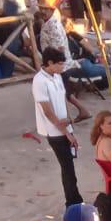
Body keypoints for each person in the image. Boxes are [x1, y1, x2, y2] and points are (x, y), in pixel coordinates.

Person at [32, 47, 82, 209]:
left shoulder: (57, 77)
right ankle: (72, 201)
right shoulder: (39, 81)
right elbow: (47, 111)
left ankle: (74, 199)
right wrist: (66, 133)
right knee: (67, 168)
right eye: (59, 64)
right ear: (50, 63)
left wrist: (70, 123)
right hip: (53, 131)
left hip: (64, 126)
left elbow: (63, 100)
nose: (62, 67)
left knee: (69, 166)